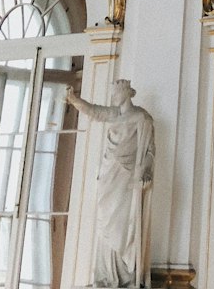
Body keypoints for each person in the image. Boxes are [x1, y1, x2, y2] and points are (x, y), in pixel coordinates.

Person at [66, 78, 155, 288]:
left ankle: (125, 274)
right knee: (105, 224)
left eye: (116, 93)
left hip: (127, 178)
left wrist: (146, 172)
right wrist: (74, 99)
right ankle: (107, 274)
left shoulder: (142, 118)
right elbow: (93, 111)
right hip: (108, 176)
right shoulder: (114, 115)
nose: (113, 97)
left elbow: (150, 151)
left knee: (123, 226)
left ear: (127, 93)